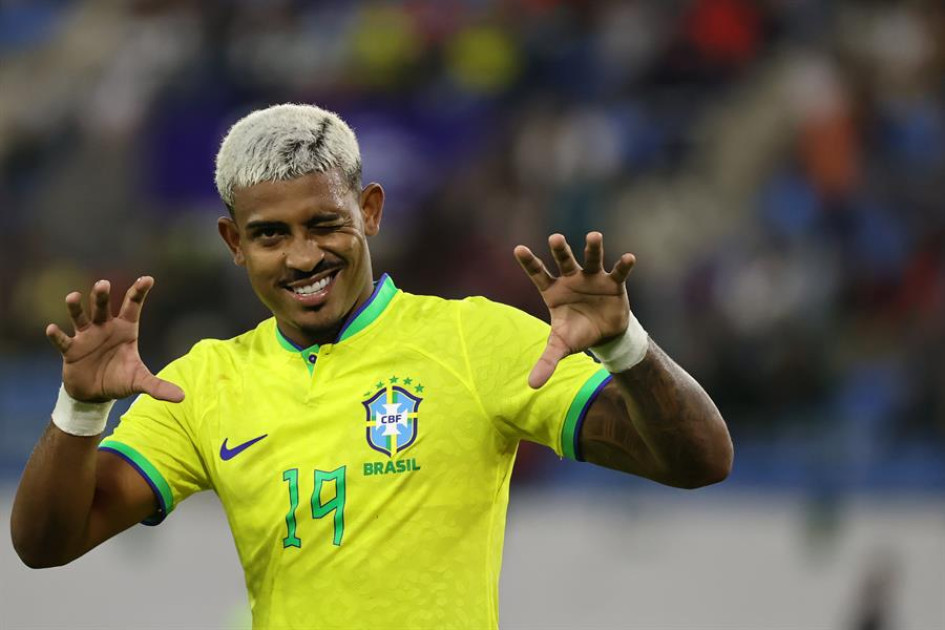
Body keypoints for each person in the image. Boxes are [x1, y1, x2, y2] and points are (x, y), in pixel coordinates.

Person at [11, 104, 733, 628]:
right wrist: (79, 408)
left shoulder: (472, 340)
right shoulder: (202, 382)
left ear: (370, 211)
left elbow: (699, 461)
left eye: (325, 224)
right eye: (270, 235)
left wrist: (625, 346)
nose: (302, 257)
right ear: (233, 242)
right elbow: (47, 546)